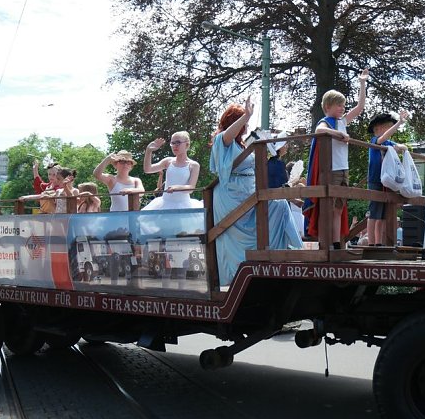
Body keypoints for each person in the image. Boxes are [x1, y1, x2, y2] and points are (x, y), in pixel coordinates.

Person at [210, 98, 302, 285]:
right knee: (278, 206)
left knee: (279, 206)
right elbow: (227, 136)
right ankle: (296, 251)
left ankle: (288, 252)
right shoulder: (223, 140)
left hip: (248, 191)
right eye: (243, 123)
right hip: (232, 195)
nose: (246, 126)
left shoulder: (241, 144)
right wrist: (246, 115)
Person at [304, 68, 368, 249]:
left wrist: (362, 83)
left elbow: (360, 108)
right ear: (327, 107)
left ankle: (336, 242)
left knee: (339, 208)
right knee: (328, 207)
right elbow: (319, 130)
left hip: (343, 169)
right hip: (331, 170)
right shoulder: (327, 122)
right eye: (338, 105)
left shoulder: (342, 121)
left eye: (343, 105)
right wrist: (339, 134)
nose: (342, 108)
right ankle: (326, 242)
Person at [366, 110, 409, 245]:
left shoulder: (389, 143)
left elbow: (402, 147)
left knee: (383, 214)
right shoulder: (375, 141)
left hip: (386, 181)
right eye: (389, 127)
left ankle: (379, 242)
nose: (392, 130)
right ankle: (371, 242)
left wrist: (400, 147)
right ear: (378, 129)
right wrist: (399, 123)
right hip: (375, 180)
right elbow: (383, 139)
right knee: (374, 213)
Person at [142, 132, 203, 210]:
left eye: (178, 142)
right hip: (164, 204)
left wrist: (176, 187)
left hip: (184, 205)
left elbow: (191, 188)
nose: (174, 146)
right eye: (173, 143)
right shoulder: (168, 161)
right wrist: (149, 150)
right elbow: (148, 169)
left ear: (187, 145)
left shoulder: (194, 165)